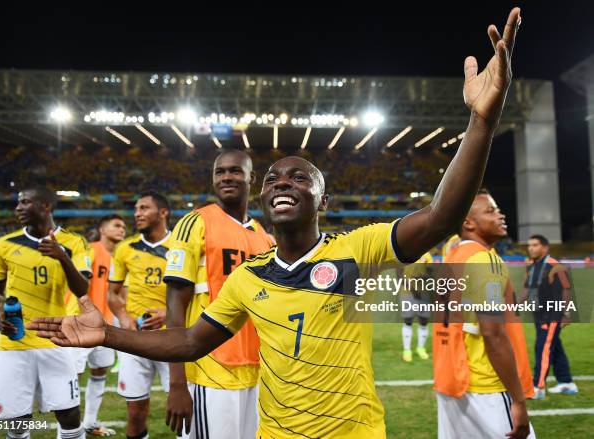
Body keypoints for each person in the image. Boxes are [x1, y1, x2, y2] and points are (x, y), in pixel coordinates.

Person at [29, 7, 526, 438]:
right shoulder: (250, 277)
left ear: (323, 200)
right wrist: (109, 334)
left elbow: (441, 217)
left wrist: (480, 122)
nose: (282, 183)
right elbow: (189, 341)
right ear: (262, 198)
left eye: (299, 178)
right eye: (272, 179)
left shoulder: (357, 249)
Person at [164, 150, 274, 437]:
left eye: (235, 171)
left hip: (255, 371)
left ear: (252, 178)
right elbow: (175, 302)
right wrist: (177, 384)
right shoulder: (195, 223)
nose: (226, 177)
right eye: (220, 172)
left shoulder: (264, 237)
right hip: (209, 370)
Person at [0, 187, 92, 439]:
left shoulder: (74, 242)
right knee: (16, 421)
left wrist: (62, 257)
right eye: (18, 203)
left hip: (54, 340)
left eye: (25, 202)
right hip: (14, 343)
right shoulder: (4, 244)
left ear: (46, 206)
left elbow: (82, 289)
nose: (18, 208)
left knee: (69, 416)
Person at [433, 190, 535, 439]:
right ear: (468, 223)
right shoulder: (483, 260)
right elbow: (494, 334)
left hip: (452, 382)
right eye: (490, 211)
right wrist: (519, 400)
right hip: (486, 385)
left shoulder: (452, 257)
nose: (501, 215)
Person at [107, 191, 172, 439]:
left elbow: (196, 292)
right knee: (134, 410)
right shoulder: (124, 249)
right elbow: (113, 293)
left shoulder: (181, 246)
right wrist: (123, 316)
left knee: (184, 406)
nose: (137, 213)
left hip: (173, 338)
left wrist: (168, 313)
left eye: (144, 208)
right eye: (136, 209)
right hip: (135, 338)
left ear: (163, 212)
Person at [65, 214, 127, 436]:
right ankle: (68, 430)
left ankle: (90, 423)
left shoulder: (121, 256)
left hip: (106, 325)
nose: (122, 230)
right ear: (102, 229)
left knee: (100, 370)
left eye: (124, 226)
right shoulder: (89, 250)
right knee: (73, 375)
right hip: (81, 323)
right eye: (117, 225)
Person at [522, 234, 577, 399]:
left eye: (535, 245)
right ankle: (566, 383)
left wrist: (565, 314)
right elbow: (527, 290)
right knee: (554, 346)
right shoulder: (531, 266)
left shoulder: (556, 266)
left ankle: (538, 387)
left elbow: (566, 290)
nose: (531, 248)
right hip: (539, 314)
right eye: (529, 245)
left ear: (545, 247)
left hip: (552, 315)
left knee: (543, 348)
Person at [400, 251, 434, 362]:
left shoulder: (427, 256)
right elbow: (399, 274)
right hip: (407, 292)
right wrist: (413, 289)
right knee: (408, 321)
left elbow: (430, 274)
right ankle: (407, 350)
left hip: (423, 293)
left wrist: (424, 277)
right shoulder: (405, 253)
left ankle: (421, 348)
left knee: (423, 321)